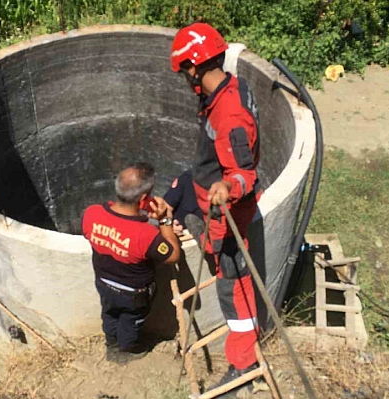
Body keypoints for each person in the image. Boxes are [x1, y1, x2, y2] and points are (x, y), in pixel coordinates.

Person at [169, 22, 262, 389]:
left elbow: (244, 173)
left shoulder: (229, 114)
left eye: (184, 70)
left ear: (194, 66)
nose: (184, 77)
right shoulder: (222, 92)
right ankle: (192, 228)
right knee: (177, 196)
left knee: (233, 287)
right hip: (206, 192)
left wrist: (228, 185)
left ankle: (242, 365)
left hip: (225, 213)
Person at [81, 163, 181, 363]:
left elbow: (100, 233)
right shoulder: (146, 235)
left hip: (104, 283)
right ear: (144, 199)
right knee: (131, 320)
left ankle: (111, 345)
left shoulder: (92, 213)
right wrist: (164, 221)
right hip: (133, 293)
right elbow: (173, 255)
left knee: (109, 314)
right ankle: (127, 349)